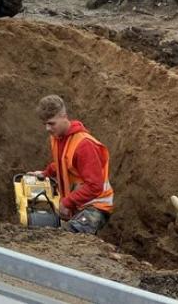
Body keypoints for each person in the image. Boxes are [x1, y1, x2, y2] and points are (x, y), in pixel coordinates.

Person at [28, 94, 114, 235]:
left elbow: (95, 186)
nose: (47, 129)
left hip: (96, 206)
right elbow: (64, 164)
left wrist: (67, 202)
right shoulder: (58, 138)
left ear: (64, 116)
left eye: (51, 123)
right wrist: (46, 173)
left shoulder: (84, 145)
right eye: (45, 124)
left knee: (67, 238)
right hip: (79, 205)